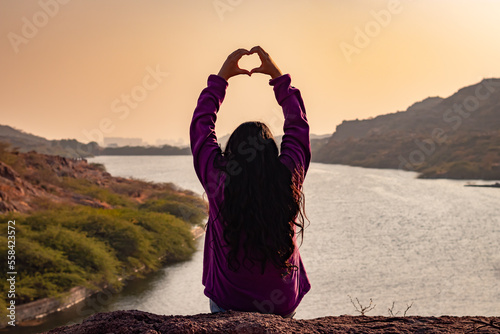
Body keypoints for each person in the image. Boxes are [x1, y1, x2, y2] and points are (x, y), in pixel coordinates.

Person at [190, 46, 311, 318]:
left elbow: (201, 127)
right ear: (272, 152)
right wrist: (279, 79)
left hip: (228, 302)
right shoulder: (288, 176)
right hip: (282, 302)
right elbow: (298, 127)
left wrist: (220, 80)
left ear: (230, 152)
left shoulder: (218, 180)